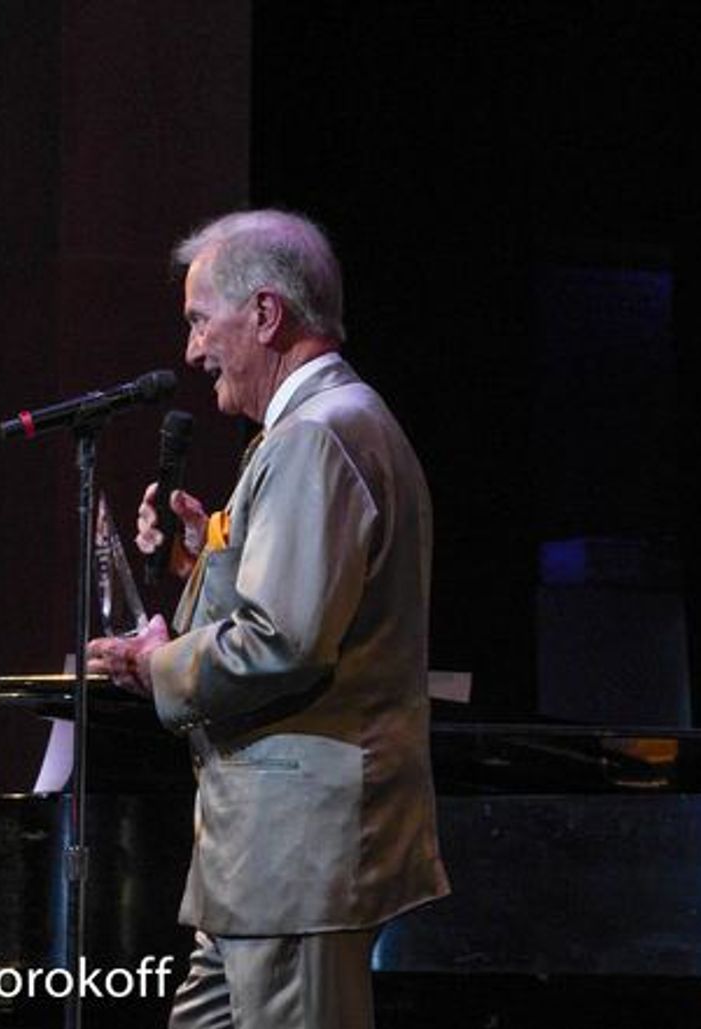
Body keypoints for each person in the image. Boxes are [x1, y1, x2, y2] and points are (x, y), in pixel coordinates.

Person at [87, 209, 450, 1029]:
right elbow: (292, 608)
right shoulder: (322, 425)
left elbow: (281, 640)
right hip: (264, 862)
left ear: (264, 313)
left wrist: (157, 667)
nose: (191, 350)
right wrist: (194, 564)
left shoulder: (315, 435)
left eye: (198, 320)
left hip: (296, 853)